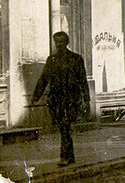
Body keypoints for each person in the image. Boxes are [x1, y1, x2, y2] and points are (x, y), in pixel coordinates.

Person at [31, 32, 90, 167]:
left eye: (61, 42)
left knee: (65, 126)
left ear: (67, 42)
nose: (59, 45)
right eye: (57, 42)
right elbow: (43, 79)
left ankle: (65, 157)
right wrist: (35, 96)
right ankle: (70, 156)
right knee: (64, 127)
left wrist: (86, 100)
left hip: (71, 98)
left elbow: (83, 81)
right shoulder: (51, 60)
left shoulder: (76, 59)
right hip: (56, 99)